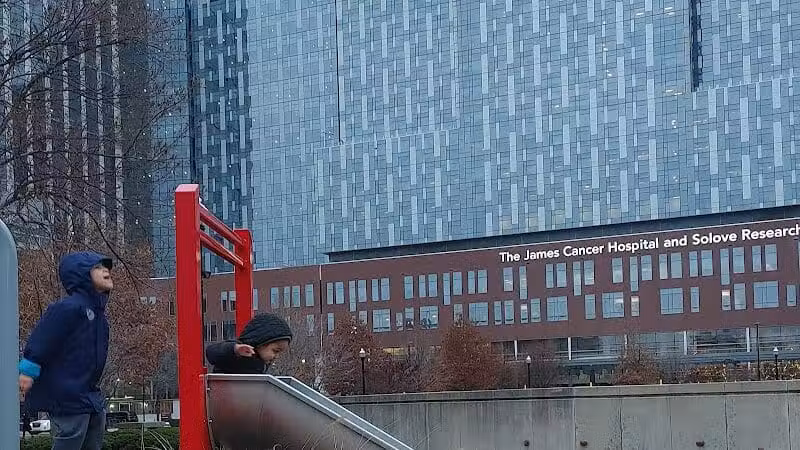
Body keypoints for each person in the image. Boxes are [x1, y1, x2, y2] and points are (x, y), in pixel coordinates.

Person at [18, 252, 113, 450]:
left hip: (88, 392)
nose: (106, 270)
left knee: (95, 431)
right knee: (72, 433)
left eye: (106, 267)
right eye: (97, 267)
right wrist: (28, 371)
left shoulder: (100, 317)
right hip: (67, 391)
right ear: (81, 275)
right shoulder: (68, 308)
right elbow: (43, 337)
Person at [205, 312, 292, 374]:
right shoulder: (239, 354)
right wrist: (235, 349)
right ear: (262, 342)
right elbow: (212, 352)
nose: (276, 356)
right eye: (275, 351)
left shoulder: (262, 363)